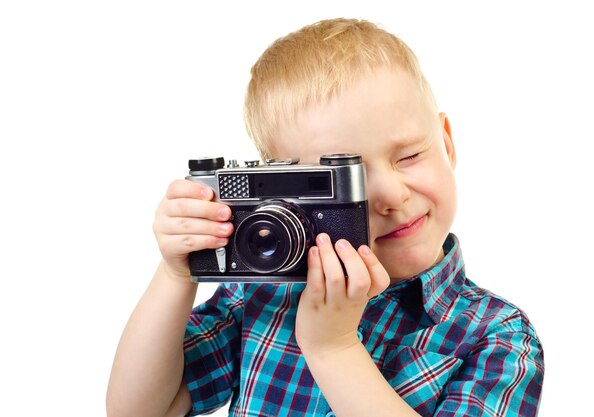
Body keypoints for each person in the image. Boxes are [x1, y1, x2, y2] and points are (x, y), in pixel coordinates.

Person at [107, 18, 544, 417]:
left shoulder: (498, 338)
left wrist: (332, 349)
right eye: (344, 181)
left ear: (446, 143)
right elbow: (139, 410)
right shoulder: (261, 297)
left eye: (409, 155)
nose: (392, 195)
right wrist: (175, 276)